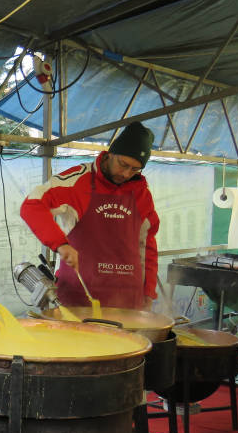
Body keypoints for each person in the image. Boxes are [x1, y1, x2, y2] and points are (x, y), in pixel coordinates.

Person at [20, 122, 160, 309]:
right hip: (79, 299)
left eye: (135, 169)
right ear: (111, 153)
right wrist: (60, 244)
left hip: (128, 303)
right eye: (123, 164)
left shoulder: (141, 193)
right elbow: (32, 205)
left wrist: (149, 292)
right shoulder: (79, 181)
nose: (126, 174)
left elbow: (147, 245)